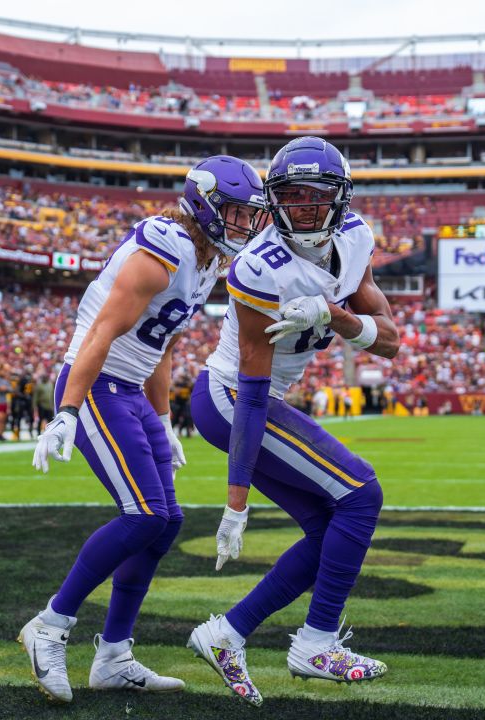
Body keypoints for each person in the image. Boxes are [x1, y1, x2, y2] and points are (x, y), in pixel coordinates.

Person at [21, 155, 268, 704]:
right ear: (203, 204)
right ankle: (50, 624)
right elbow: (102, 332)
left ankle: (113, 655)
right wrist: (66, 410)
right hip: (98, 384)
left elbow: (161, 344)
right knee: (145, 515)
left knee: (166, 522)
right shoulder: (164, 249)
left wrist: (161, 419)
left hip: (131, 392)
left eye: (248, 215)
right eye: (233, 212)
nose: (243, 225)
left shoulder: (205, 261)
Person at [186, 137, 400, 705]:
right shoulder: (258, 267)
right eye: (291, 196)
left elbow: (391, 342)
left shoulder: (354, 237)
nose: (303, 207)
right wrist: (236, 504)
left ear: (341, 198)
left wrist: (335, 315)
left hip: (259, 399)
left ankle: (225, 633)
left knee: (331, 526)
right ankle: (316, 642)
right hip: (233, 398)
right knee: (360, 493)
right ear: (273, 199)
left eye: (316, 196)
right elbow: (253, 391)